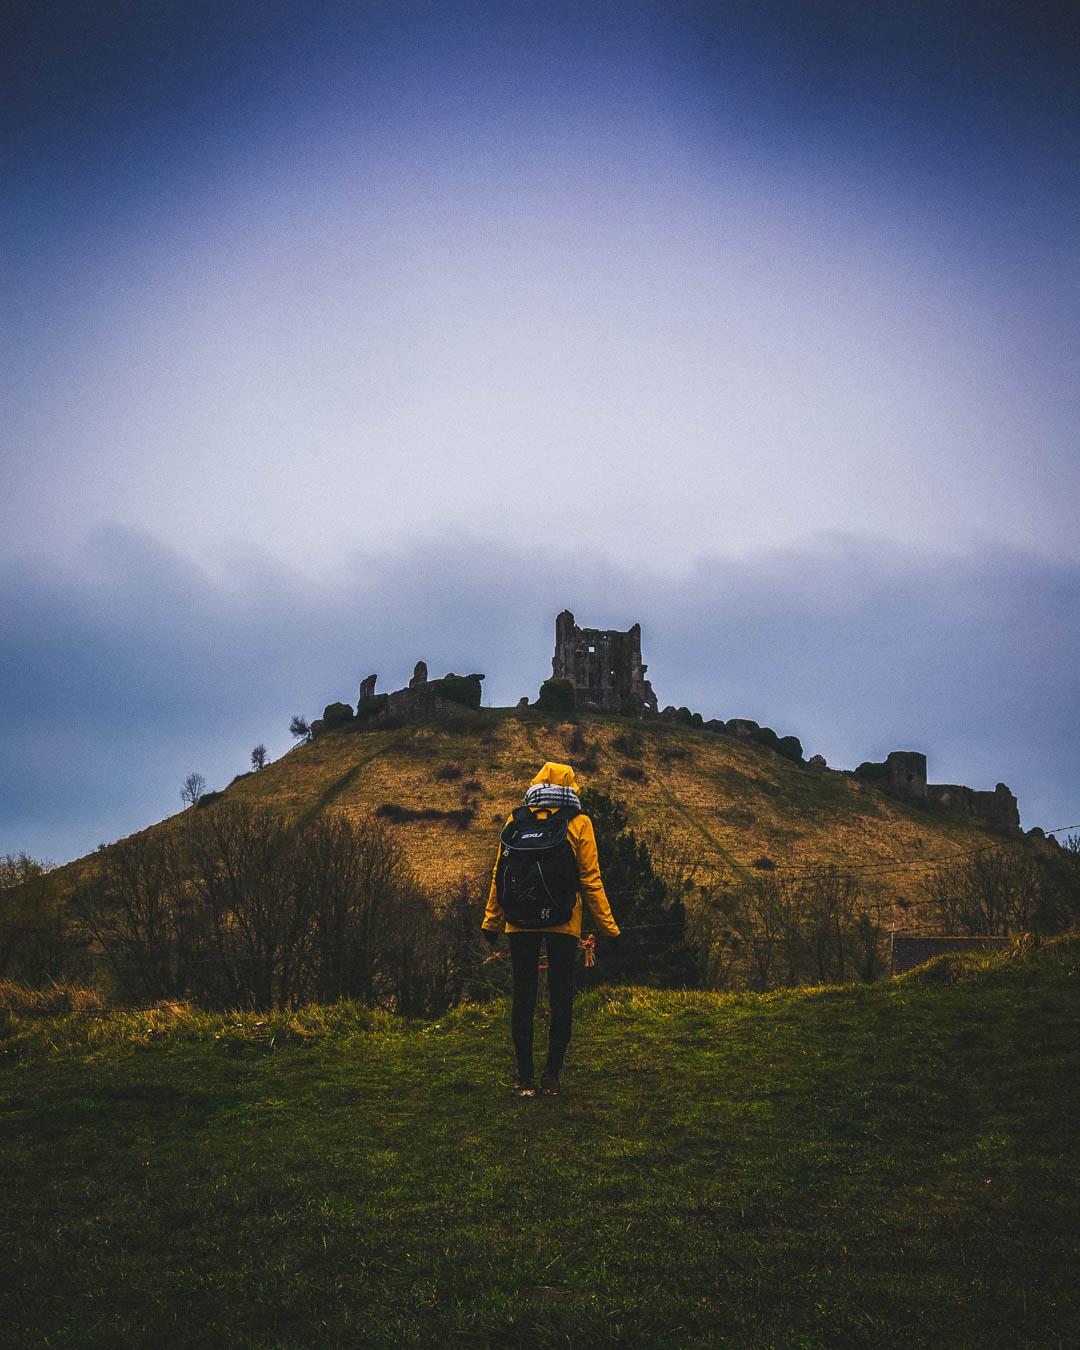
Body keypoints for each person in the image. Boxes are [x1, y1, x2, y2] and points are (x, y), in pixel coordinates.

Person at [482, 761, 621, 1097]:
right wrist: (608, 928)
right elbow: (590, 880)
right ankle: (552, 1077)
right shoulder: (579, 822)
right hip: (563, 922)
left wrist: (491, 921)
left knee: (523, 996)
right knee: (561, 997)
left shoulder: (517, 819)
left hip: (519, 922)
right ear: (570, 786)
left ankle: (524, 1078)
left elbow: (500, 874)